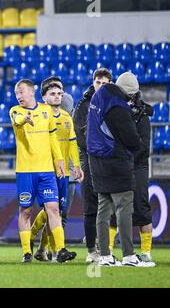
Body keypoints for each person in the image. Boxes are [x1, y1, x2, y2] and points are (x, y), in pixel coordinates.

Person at [87, 72, 154, 267]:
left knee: (103, 208)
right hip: (114, 161)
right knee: (125, 207)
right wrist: (137, 144)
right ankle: (129, 256)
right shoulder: (118, 105)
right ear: (132, 93)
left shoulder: (98, 96)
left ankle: (106, 256)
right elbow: (132, 140)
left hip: (96, 161)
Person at [9, 79, 76, 263]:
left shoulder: (46, 111)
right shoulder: (15, 111)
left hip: (46, 171)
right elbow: (17, 120)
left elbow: (53, 138)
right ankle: (26, 252)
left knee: (53, 209)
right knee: (25, 211)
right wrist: (25, 118)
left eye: (21, 92)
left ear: (31, 92)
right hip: (25, 171)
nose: (19, 96)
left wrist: (60, 160)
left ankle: (60, 249)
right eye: (17, 94)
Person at [31, 82, 84, 262]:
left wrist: (76, 165)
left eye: (60, 92)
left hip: (65, 172)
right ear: (45, 95)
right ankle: (53, 250)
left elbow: (72, 142)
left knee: (58, 213)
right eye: (54, 92)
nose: (58, 95)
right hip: (46, 170)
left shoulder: (66, 114)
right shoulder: (41, 115)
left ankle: (40, 245)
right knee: (54, 212)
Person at [108, 73, 155, 263]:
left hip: (137, 166)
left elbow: (143, 149)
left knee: (141, 208)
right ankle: (108, 249)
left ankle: (146, 251)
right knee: (112, 208)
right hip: (118, 164)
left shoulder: (143, 117)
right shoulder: (112, 112)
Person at [73, 68, 112, 263]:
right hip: (89, 160)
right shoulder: (83, 106)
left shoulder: (114, 104)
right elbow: (80, 137)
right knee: (90, 205)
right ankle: (91, 250)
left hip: (109, 160)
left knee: (108, 205)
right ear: (93, 82)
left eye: (105, 83)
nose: (101, 86)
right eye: (98, 82)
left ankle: (105, 247)